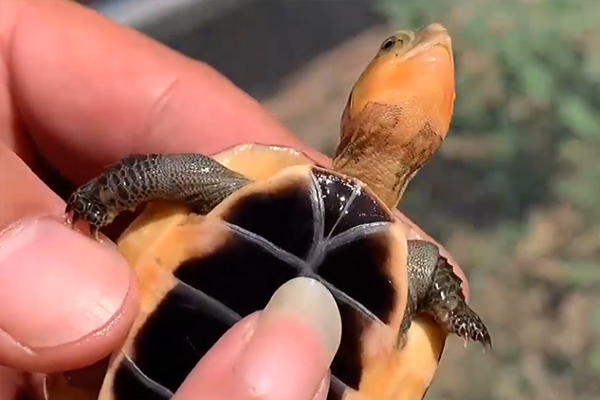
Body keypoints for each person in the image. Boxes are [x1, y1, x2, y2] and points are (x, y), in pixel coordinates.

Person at [0, 1, 470, 399]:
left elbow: (181, 175)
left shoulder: (417, 263)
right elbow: (179, 174)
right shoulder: (414, 264)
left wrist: (451, 304)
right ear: (354, 97)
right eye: (394, 45)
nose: (433, 40)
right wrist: (106, 196)